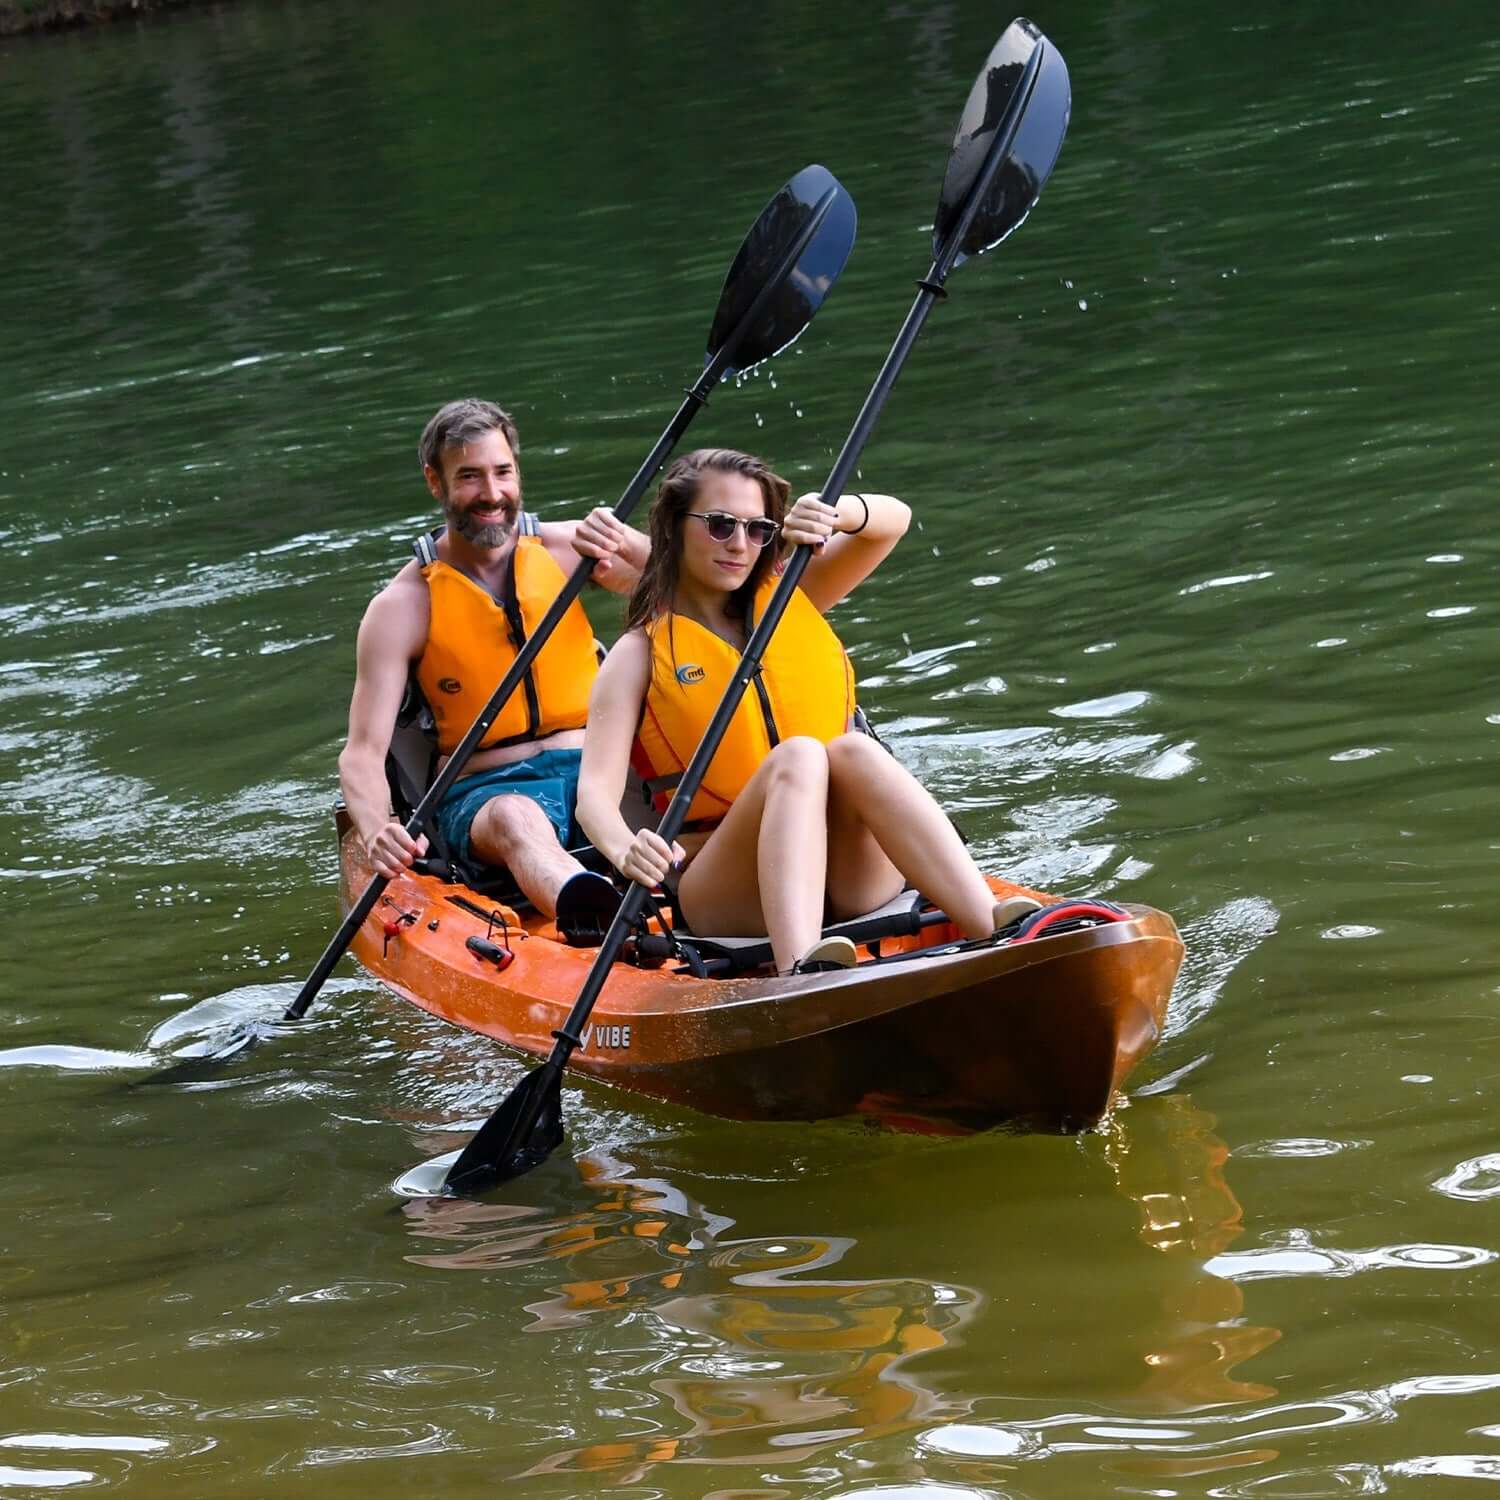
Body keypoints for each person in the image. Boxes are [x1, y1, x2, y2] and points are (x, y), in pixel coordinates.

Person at [575, 447, 1036, 976]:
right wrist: (625, 850)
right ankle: (801, 971)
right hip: (728, 894)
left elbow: (893, 521)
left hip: (850, 877)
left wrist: (837, 514)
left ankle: (993, 926)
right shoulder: (638, 654)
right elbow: (594, 800)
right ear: (674, 527)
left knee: (853, 749)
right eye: (720, 525)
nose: (739, 545)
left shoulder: (794, 593)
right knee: (800, 756)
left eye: (757, 530)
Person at [338, 398, 648, 921]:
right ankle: (593, 913)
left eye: (503, 472)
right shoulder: (402, 607)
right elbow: (362, 754)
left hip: (604, 769)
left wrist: (633, 543)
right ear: (435, 482)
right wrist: (377, 828)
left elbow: (696, 594)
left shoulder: (571, 550)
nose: (492, 493)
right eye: (469, 476)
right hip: (487, 793)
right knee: (515, 817)